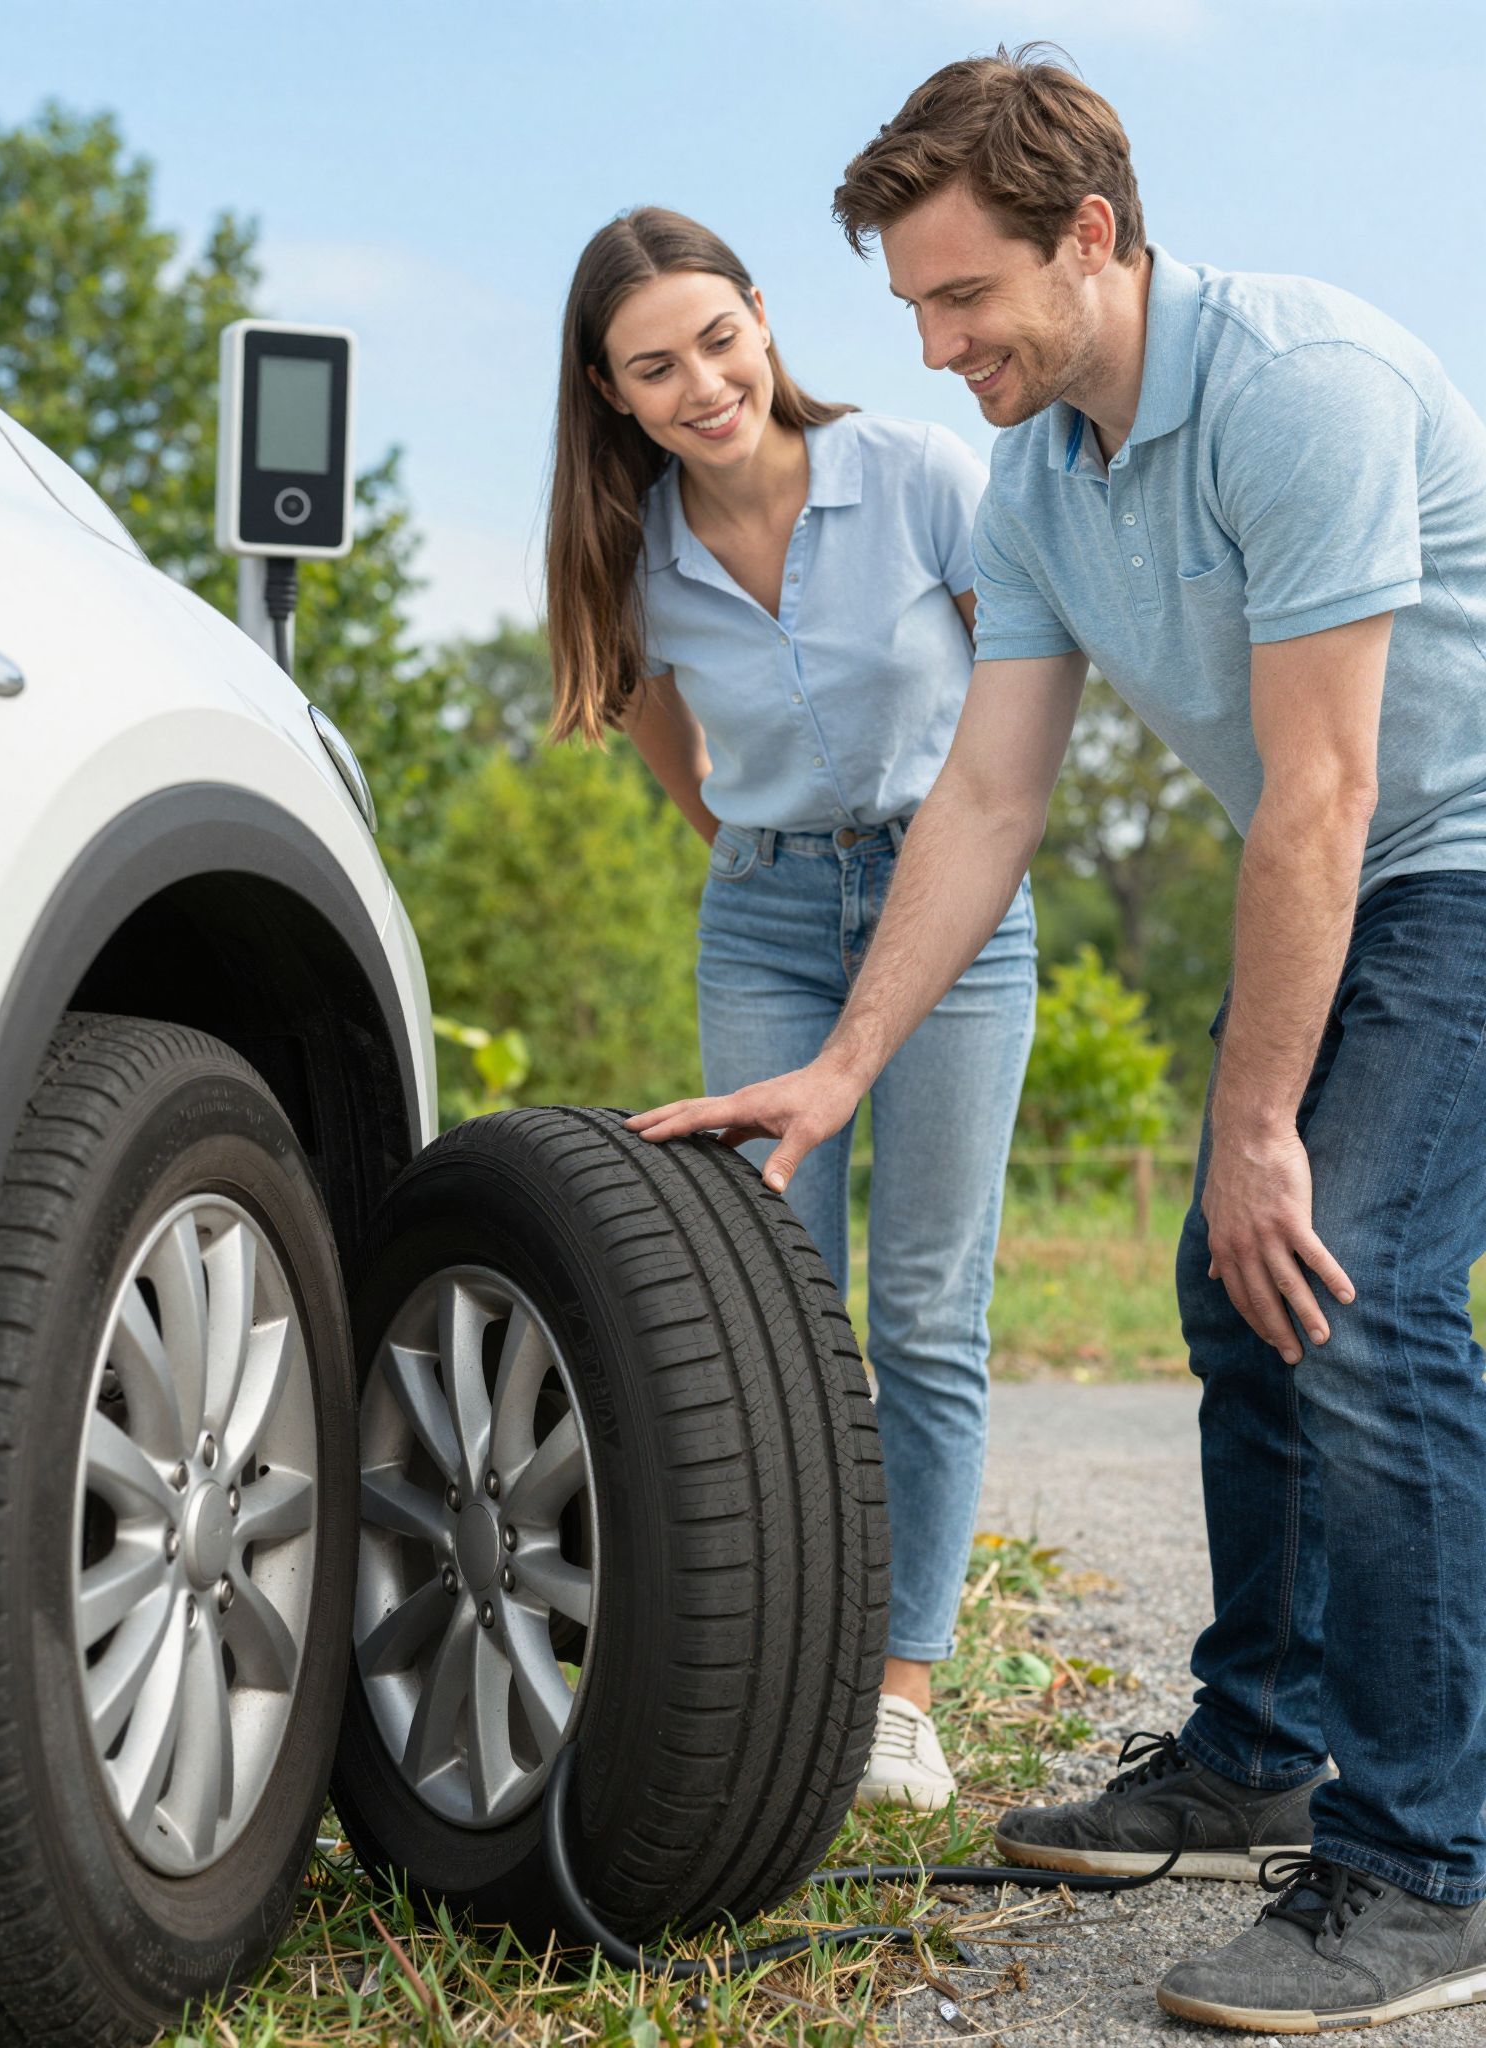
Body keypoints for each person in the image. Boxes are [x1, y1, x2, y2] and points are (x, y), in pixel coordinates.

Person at [628, 47, 1486, 2037]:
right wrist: (843, 1065)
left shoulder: (1297, 388)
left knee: (1347, 1279)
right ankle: (1261, 1751)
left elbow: (1327, 790)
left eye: (964, 297)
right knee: (1236, 1290)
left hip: (1452, 856)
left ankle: (1435, 1858)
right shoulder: (1037, 477)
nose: (934, 350)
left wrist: (1257, 1126)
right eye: (915, 306)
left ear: (1089, 235)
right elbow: (991, 796)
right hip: (1347, 860)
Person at [544, 206, 1037, 1810]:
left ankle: (899, 1693)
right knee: (776, 1303)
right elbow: (663, 734)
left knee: (927, 1310)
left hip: (953, 912)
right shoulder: (631, 556)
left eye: (717, 339)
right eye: (654, 369)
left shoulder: (919, 475)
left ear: (763, 318)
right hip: (763, 921)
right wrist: (751, 856)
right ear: (610, 393)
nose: (702, 386)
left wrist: (922, 866)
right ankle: (794, 1670)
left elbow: (1017, 704)